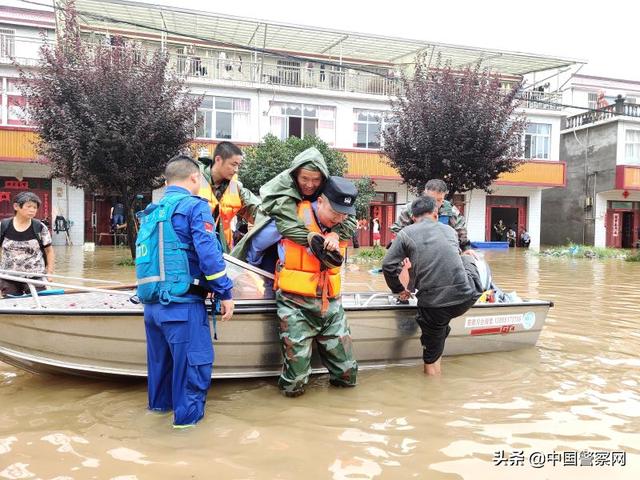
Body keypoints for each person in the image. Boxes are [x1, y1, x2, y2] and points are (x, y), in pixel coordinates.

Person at [135, 155, 235, 428]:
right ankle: (186, 436)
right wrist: (225, 292)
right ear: (194, 178)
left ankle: (156, 419)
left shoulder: (151, 212)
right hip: (182, 308)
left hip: (153, 309)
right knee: (193, 370)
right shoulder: (194, 207)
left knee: (161, 372)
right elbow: (210, 257)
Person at [270, 176, 359, 396]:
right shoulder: (291, 218)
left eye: (344, 214)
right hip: (295, 305)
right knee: (296, 380)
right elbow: (253, 244)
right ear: (320, 202)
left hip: (331, 305)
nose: (339, 218)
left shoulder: (344, 225)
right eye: (334, 212)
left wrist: (337, 233)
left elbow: (347, 222)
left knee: (348, 374)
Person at [382, 196, 483, 376]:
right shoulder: (450, 231)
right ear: (435, 215)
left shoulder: (406, 233)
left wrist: (399, 290)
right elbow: (442, 260)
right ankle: (441, 333)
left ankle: (433, 394)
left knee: (430, 357)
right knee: (466, 257)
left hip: (435, 306)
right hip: (467, 297)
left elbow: (388, 266)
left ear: (413, 217)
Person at [231, 147, 357, 268]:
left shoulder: (330, 187)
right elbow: (287, 226)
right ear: (296, 175)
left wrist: (335, 234)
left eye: (316, 180)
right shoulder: (283, 186)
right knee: (267, 232)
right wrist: (319, 243)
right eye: (304, 178)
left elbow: (349, 216)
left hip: (306, 243)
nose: (309, 185)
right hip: (271, 220)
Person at [197, 141, 260, 253]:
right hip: (195, 250)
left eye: (238, 165)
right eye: (233, 164)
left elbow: (257, 211)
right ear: (218, 160)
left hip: (223, 252)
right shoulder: (193, 179)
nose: (236, 170)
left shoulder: (236, 187)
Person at [0, 192, 55, 297]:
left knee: (41, 303)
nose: (32, 210)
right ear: (16, 206)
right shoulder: (3, 225)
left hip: (35, 275)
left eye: (35, 207)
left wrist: (50, 273)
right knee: (12, 305)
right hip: (9, 276)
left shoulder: (40, 227)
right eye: (29, 206)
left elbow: (49, 251)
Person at [391, 179, 466, 239]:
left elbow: (460, 231)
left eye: (439, 200)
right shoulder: (410, 208)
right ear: (425, 194)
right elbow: (398, 230)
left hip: (443, 250)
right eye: (431, 199)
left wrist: (466, 248)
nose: (435, 204)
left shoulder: (451, 210)